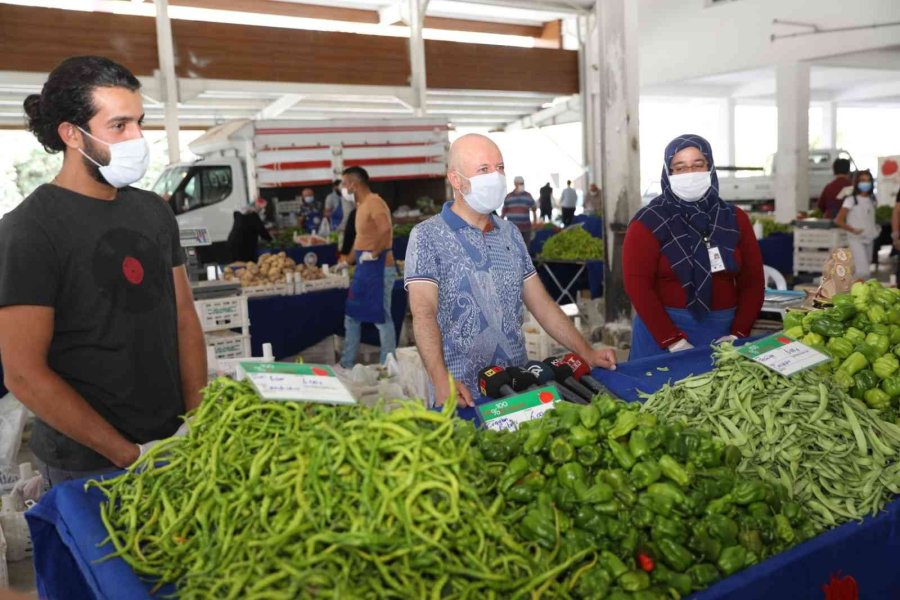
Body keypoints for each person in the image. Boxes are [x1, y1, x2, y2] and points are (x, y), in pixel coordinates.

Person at [0, 56, 207, 485]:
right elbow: (23, 372)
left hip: (173, 440)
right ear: (71, 135)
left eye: (139, 122)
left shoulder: (152, 211)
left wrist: (197, 421)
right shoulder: (29, 229)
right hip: (88, 461)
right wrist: (127, 454)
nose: (137, 138)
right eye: (119, 126)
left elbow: (184, 320)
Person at [404, 134, 617, 407]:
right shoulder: (427, 236)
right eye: (483, 170)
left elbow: (541, 304)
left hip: (519, 387)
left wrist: (587, 351)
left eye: (500, 167)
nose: (496, 177)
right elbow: (423, 313)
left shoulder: (510, 234)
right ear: (456, 180)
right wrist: (439, 378)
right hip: (462, 395)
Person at [623, 134, 765, 360]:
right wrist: (672, 340)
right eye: (679, 168)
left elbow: (753, 281)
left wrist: (738, 333)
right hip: (661, 333)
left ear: (710, 168)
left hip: (722, 333)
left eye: (698, 165)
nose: (690, 174)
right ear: (668, 174)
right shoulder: (648, 221)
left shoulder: (734, 219)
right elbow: (637, 285)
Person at [339, 166, 397, 368]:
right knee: (352, 316)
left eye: (345, 184)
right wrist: (347, 260)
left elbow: (386, 229)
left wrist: (374, 253)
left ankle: (387, 365)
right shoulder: (361, 206)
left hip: (380, 268)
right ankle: (346, 363)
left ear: (354, 185)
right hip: (365, 269)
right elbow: (361, 239)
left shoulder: (374, 202)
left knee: (382, 317)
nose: (343, 188)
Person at [835, 169, 878, 279]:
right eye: (862, 180)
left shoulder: (872, 199)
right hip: (856, 239)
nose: (865, 183)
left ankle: (858, 290)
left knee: (865, 266)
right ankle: (856, 291)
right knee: (863, 271)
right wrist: (852, 230)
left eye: (868, 181)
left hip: (869, 237)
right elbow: (838, 220)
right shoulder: (851, 200)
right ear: (857, 182)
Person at [502, 175, 537, 245]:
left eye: (522, 183)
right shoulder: (508, 197)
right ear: (515, 184)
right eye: (520, 183)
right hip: (512, 230)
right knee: (513, 249)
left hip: (526, 229)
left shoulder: (528, 196)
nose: (522, 185)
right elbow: (503, 213)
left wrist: (534, 225)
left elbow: (534, 210)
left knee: (526, 249)